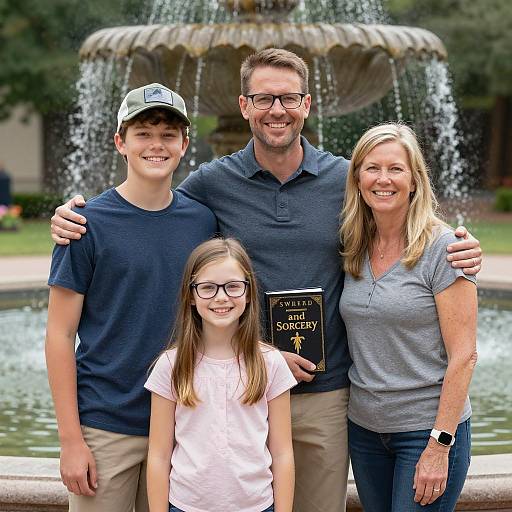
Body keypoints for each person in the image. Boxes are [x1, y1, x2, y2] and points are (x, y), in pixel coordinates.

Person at [49, 49, 482, 512]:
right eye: (263, 98)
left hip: (327, 394)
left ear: (307, 104)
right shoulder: (210, 186)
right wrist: (74, 216)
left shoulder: (346, 180)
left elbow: (397, 211)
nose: (277, 110)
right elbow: (149, 204)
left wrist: (458, 244)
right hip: (236, 391)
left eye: (288, 98)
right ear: (244, 105)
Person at [45, 83, 217, 511]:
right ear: (121, 141)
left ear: (184, 145)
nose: (155, 145)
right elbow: (59, 335)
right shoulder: (85, 225)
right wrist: (71, 441)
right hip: (107, 426)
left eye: (168, 134)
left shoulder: (202, 222)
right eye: (143, 133)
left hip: (183, 426)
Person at [339, 123, 477, 511]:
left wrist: (440, 444)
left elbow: (464, 355)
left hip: (426, 431)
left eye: (396, 169)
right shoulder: (352, 246)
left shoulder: (445, 248)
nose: (384, 179)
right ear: (358, 179)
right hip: (365, 431)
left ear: (415, 180)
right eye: (372, 168)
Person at [145, 237, 296, 512]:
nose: (221, 297)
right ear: (191, 295)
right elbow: (158, 455)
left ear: (249, 292)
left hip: (257, 505)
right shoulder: (171, 365)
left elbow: (283, 453)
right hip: (186, 505)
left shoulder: (271, 363)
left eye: (233, 286)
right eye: (208, 288)